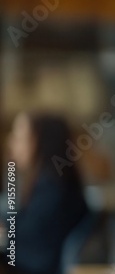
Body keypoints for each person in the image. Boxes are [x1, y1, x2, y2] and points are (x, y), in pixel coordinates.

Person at [1, 112, 88, 274]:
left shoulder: (50, 188)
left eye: (19, 137)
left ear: (39, 142)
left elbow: (28, 249)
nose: (11, 143)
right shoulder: (49, 180)